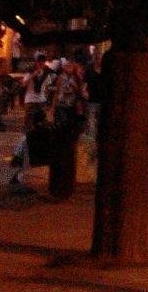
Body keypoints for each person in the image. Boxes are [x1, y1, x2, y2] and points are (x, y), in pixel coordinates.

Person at [45, 60, 87, 200]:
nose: (68, 68)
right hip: (62, 108)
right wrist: (52, 109)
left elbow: (81, 95)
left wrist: (77, 87)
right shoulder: (60, 78)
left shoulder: (77, 79)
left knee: (69, 145)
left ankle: (66, 185)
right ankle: (59, 186)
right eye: (66, 66)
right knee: (61, 142)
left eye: (70, 66)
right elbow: (56, 93)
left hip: (72, 110)